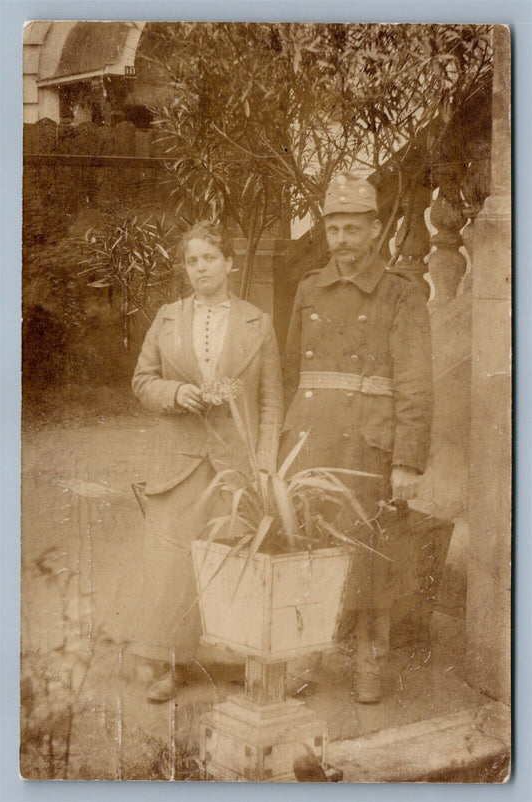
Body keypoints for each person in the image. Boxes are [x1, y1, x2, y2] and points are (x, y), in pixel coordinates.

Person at [281, 173, 434, 703]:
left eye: (353, 228)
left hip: (367, 444)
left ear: (374, 230)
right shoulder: (307, 289)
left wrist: (408, 461)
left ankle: (370, 658)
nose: (342, 240)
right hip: (310, 437)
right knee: (308, 547)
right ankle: (306, 649)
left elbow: (415, 381)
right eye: (334, 228)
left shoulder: (401, 293)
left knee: (367, 552)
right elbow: (291, 368)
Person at [128, 221, 283, 703]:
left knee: (233, 557)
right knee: (173, 564)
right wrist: (176, 392)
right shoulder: (167, 318)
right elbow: (142, 381)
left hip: (233, 462)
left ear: (229, 263)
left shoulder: (258, 322)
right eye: (192, 261)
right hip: (178, 460)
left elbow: (272, 402)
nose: (200, 268)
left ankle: (233, 660)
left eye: (209, 259)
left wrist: (263, 461)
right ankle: (169, 664)